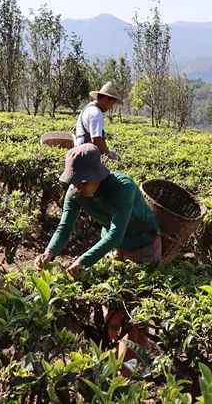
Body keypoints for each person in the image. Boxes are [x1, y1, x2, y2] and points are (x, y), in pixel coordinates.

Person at [34, 144, 161, 375]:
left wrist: (82, 261)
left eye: (83, 182)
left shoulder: (124, 186)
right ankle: (114, 355)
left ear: (98, 175)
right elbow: (64, 227)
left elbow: (116, 234)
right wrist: (49, 252)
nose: (78, 187)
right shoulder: (76, 194)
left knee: (134, 308)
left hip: (142, 244)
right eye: (74, 182)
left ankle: (132, 368)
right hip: (113, 248)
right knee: (110, 303)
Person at [73, 81, 122, 160]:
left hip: (79, 153)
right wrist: (108, 153)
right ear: (106, 99)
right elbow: (96, 139)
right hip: (85, 157)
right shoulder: (96, 113)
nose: (111, 107)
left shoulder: (88, 108)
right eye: (111, 104)